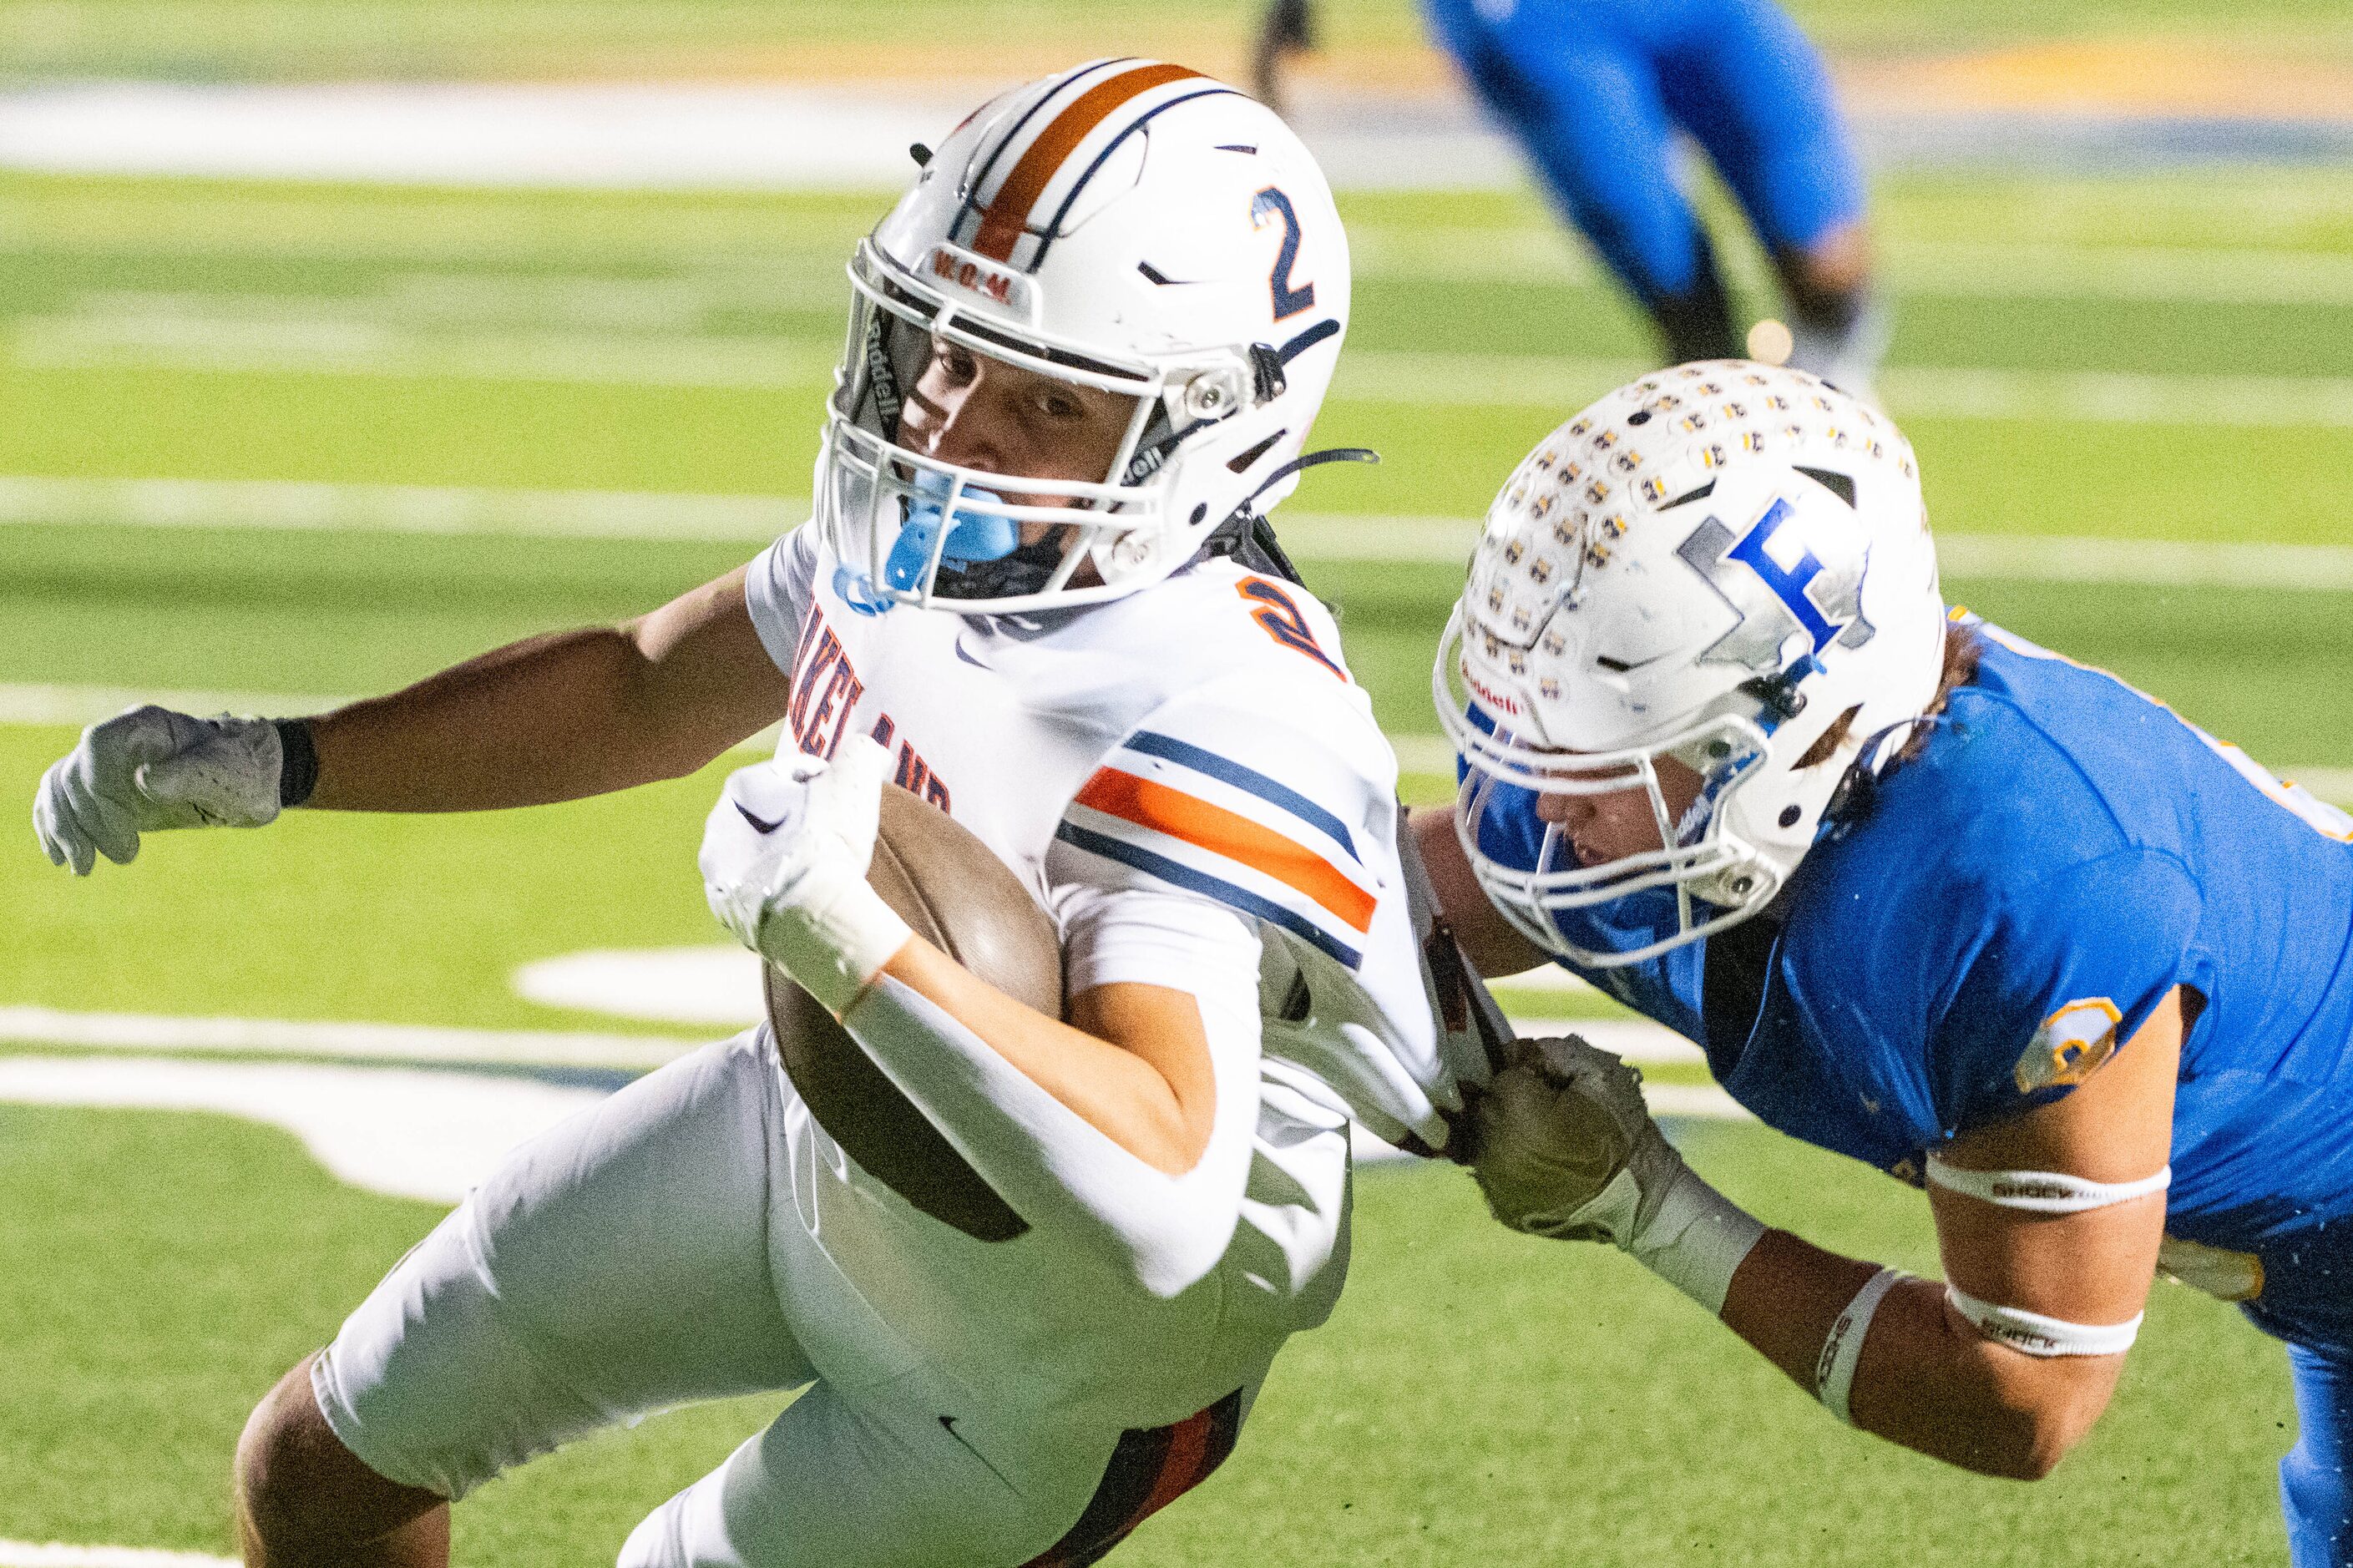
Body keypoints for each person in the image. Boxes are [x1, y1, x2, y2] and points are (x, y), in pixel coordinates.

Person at [34, 59, 1501, 1568]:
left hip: (1053, 1349)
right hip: (814, 1133)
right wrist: (289, 758)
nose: (957, 423)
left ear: (1205, 431)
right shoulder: (949, 533)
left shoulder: (1207, 698)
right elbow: (639, 685)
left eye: (1046, 398)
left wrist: (851, 936)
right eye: (945, 343)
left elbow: (1160, 1188)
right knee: (320, 1465)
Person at [1415, 358, 2353, 1563]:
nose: (1542, 799)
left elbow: (2018, 1393)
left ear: (1790, 736)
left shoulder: (2022, 890)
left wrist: (1645, 1203)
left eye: (1609, 745)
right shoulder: (1710, 792)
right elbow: (1365, 909)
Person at [1252, 0, 1885, 392]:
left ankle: (1831, 417)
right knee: (1686, 299)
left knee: (1829, 261)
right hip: (1544, 19)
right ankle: (1750, 499)